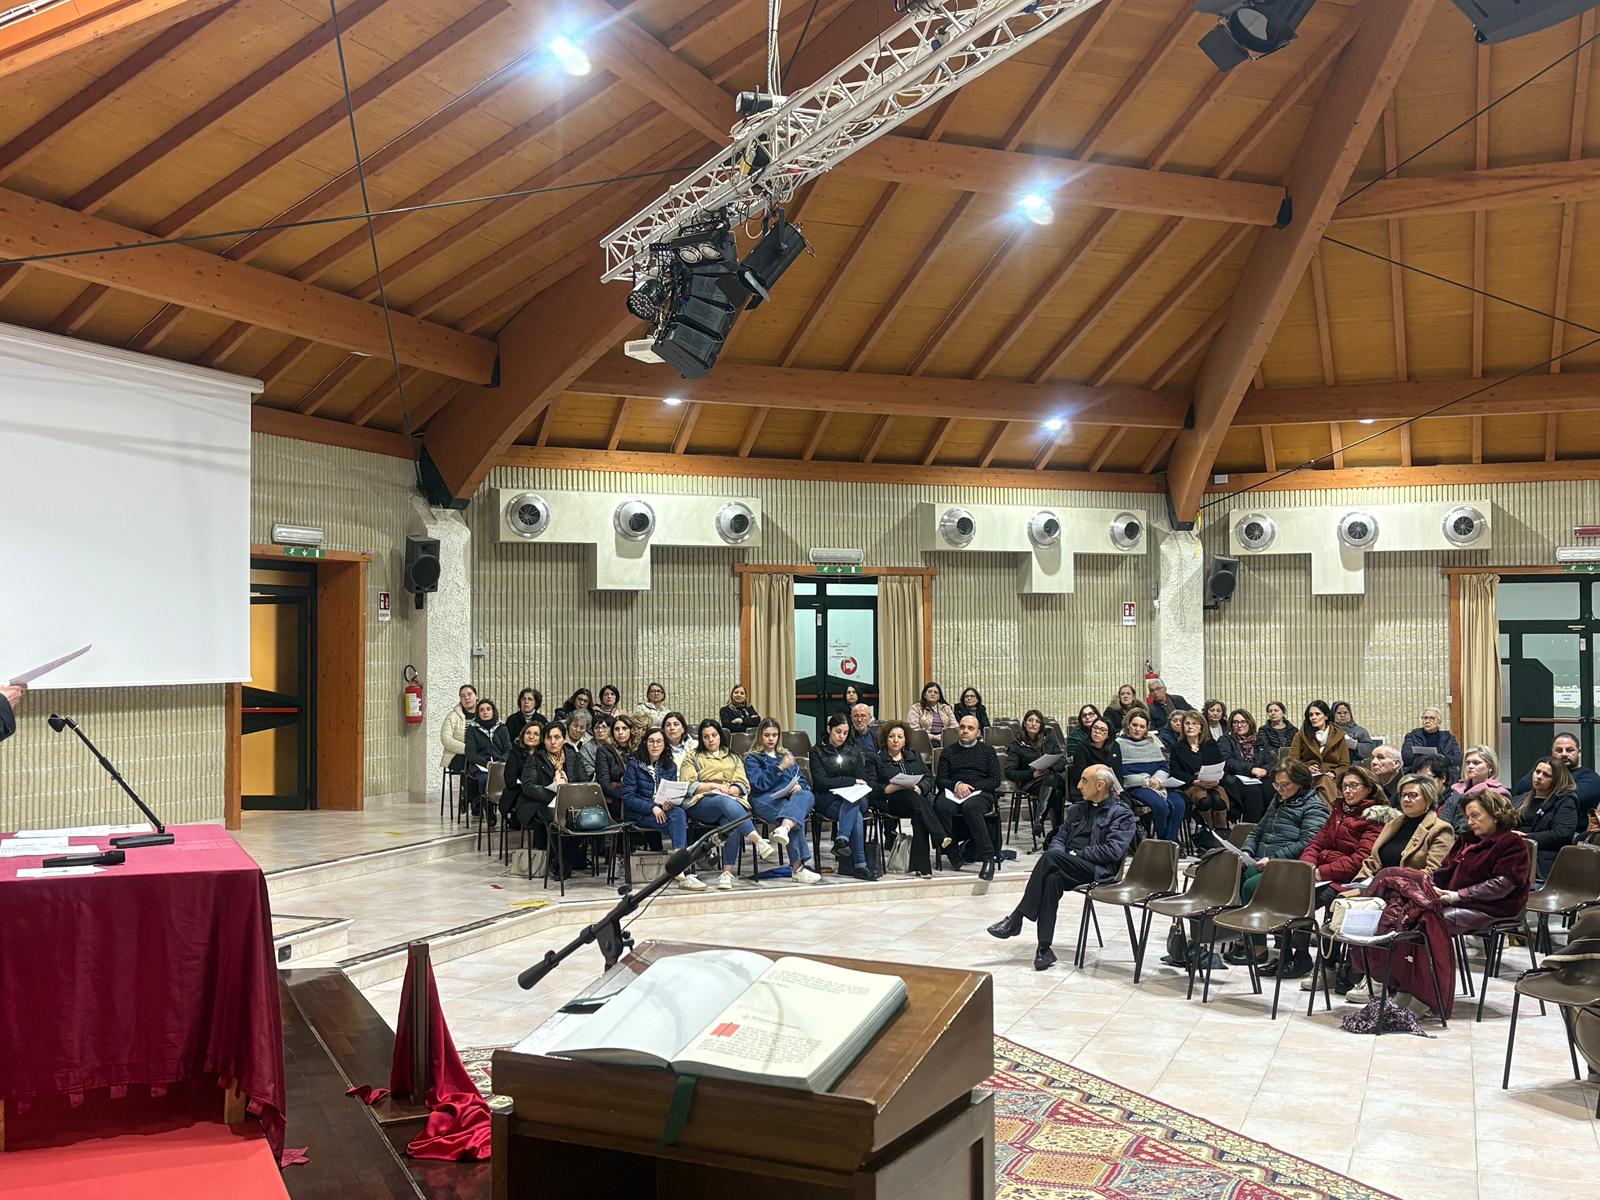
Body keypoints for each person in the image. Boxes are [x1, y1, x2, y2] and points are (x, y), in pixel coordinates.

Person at [987, 764, 1135, 971]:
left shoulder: (1121, 814)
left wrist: (1076, 855)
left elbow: (1113, 851)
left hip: (1098, 871)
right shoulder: (1077, 809)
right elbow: (1060, 838)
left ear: (1100, 785)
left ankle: (1017, 918)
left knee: (1051, 858)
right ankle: (1044, 950)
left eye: (1084, 780)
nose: (1078, 785)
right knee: (1051, 878)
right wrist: (1062, 854)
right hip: (1066, 864)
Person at [1270, 765, 1386, 980]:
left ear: (1369, 789)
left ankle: (1324, 964)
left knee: (1316, 899)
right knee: (1284, 893)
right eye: (1345, 786)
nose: (1348, 791)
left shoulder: (1376, 817)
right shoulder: (1338, 810)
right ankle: (1290, 955)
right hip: (1320, 873)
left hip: (1348, 879)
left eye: (1354, 786)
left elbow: (1360, 859)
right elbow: (1316, 842)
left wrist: (1321, 873)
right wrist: (1308, 867)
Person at [1226, 760, 1329, 968]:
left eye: (1285, 785)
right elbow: (1257, 831)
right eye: (1277, 785)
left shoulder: (1314, 806)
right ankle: (1245, 935)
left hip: (1288, 866)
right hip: (1262, 860)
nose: (1280, 789)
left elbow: (1308, 842)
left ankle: (1258, 947)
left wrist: (1274, 859)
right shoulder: (1278, 800)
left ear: (1300, 783)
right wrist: (1246, 851)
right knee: (1235, 877)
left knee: (1252, 886)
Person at [679, 720, 776, 890]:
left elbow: (743, 783)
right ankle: (757, 840)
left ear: (720, 736)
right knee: (724, 801)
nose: (711, 740)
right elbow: (689, 785)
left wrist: (732, 789)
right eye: (706, 737)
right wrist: (713, 787)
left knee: (730, 821)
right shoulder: (692, 756)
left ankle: (726, 873)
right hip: (701, 803)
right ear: (701, 739)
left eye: (714, 735)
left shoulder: (733, 756)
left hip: (731, 801)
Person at [621, 728, 705, 891]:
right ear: (645, 743)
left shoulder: (670, 766)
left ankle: (680, 868)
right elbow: (628, 797)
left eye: (659, 741)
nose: (655, 745)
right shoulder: (634, 765)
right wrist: (652, 807)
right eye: (651, 741)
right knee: (679, 823)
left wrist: (668, 803)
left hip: (662, 812)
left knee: (679, 814)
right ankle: (684, 870)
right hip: (639, 814)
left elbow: (669, 793)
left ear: (664, 744)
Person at [743, 718, 822, 885]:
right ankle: (798, 869)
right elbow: (758, 785)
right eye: (767, 735)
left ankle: (784, 828)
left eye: (774, 735)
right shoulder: (753, 758)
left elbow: (802, 780)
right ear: (760, 736)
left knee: (807, 795)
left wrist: (800, 786)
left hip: (789, 799)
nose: (771, 739)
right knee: (794, 817)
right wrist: (779, 768)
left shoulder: (785, 755)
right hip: (765, 799)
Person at [513, 722, 592, 873]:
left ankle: (562, 861)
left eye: (557, 737)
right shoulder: (535, 759)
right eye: (549, 738)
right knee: (554, 818)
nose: (553, 742)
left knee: (582, 819)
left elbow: (584, 782)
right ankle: (563, 863)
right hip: (541, 802)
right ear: (544, 740)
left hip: (570, 801)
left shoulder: (573, 756)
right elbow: (528, 786)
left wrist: (567, 790)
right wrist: (555, 791)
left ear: (564, 739)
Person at [871, 721, 945, 878]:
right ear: (885, 739)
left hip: (915, 801)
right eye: (891, 736)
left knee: (918, 810)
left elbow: (928, 778)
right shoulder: (876, 758)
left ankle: (922, 867)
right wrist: (887, 788)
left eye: (900, 737)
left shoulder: (914, 755)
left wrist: (921, 788)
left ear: (905, 740)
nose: (896, 740)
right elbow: (870, 785)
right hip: (890, 800)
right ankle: (939, 835)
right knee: (917, 802)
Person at [935, 714, 1004, 879]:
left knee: (970, 807)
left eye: (970, 728)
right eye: (962, 727)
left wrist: (971, 788)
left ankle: (988, 858)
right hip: (954, 792)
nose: (965, 731)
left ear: (978, 733)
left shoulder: (988, 751)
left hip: (980, 793)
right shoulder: (948, 752)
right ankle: (953, 853)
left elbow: (995, 780)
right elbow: (941, 780)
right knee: (940, 807)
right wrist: (957, 785)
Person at [809, 714, 875, 879]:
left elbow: (862, 779)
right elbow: (821, 782)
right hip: (829, 799)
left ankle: (842, 839)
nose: (841, 736)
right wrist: (851, 781)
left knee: (854, 802)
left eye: (845, 733)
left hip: (856, 798)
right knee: (856, 814)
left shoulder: (854, 749)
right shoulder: (817, 751)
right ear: (829, 729)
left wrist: (852, 783)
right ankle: (860, 864)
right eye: (838, 732)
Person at [1115, 711, 1185, 843]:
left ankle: (1170, 841)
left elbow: (1163, 766)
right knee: (1160, 805)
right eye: (1134, 725)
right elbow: (1120, 770)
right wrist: (1145, 781)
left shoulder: (1152, 743)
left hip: (1158, 783)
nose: (1138, 729)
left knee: (1179, 803)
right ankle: (1164, 841)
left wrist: (1157, 779)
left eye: (1142, 726)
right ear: (1128, 725)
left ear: (1146, 728)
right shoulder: (1119, 744)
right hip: (1137, 786)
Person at [1514, 756, 1579, 879]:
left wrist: (1525, 838)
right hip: (1515, 855)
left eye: (1546, 775)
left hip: (1544, 860)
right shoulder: (1522, 798)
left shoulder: (1565, 800)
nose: (1539, 777)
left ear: (1557, 780)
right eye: (1537, 772)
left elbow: (1562, 833)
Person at [1513, 732, 1600, 825]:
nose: (1564, 754)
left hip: (1572, 829)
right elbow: (1522, 788)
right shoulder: (1542, 770)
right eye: (1559, 750)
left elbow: (1575, 797)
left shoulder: (1589, 776)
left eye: (1570, 750)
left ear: (1579, 752)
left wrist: (1542, 790)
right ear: (1552, 752)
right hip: (1530, 825)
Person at [1007, 709, 1067, 837]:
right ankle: (1057, 834)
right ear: (1024, 723)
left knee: (1052, 780)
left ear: (1041, 725)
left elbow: (1062, 760)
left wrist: (1050, 769)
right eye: (1030, 720)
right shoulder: (1016, 745)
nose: (1034, 724)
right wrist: (1031, 774)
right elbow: (1010, 772)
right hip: (1031, 783)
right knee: (1056, 792)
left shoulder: (1049, 737)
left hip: (1051, 777)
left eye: (1037, 721)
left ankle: (1039, 821)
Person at [1171, 710, 1227, 835]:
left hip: (1212, 783)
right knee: (1205, 800)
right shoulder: (1177, 747)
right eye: (1187, 724)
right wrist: (1194, 781)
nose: (1190, 727)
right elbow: (1176, 771)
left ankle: (1221, 833)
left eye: (1194, 724)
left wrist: (1217, 779)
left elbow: (1221, 765)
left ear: (1201, 728)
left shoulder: (1210, 745)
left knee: (1218, 799)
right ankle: (1207, 832)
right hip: (1192, 784)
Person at [1287, 700, 1349, 802]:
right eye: (1311, 715)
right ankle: (1334, 810)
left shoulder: (1339, 736)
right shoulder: (1301, 736)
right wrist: (1306, 768)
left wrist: (1334, 773)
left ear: (1326, 716)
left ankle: (1329, 810)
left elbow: (1344, 764)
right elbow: (1292, 762)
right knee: (1323, 783)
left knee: (1325, 782)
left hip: (1333, 778)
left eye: (1317, 714)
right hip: (1308, 778)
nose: (1313, 717)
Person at [1439, 745, 1508, 836]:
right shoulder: (1457, 788)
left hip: (1472, 839)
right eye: (1468, 763)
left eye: (1476, 763)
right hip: (1443, 835)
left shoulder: (1497, 792)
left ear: (1490, 767)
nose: (1470, 766)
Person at [1219, 708, 1272, 823]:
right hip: (1235, 777)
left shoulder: (1259, 740)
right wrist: (1251, 769)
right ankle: (1249, 829)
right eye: (1235, 722)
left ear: (1250, 723)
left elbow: (1271, 761)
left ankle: (1269, 826)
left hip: (1259, 776)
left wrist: (1265, 770)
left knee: (1270, 788)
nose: (1239, 725)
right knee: (1254, 792)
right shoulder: (1225, 740)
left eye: (1243, 722)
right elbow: (1226, 761)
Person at [463, 698, 510, 824]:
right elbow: (470, 753)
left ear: (493, 711)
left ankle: (508, 811)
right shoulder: (472, 729)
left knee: (511, 780)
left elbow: (508, 749)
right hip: (480, 765)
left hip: (500, 765)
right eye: (481, 710)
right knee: (485, 780)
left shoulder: (502, 728)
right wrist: (485, 763)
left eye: (488, 709)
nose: (485, 712)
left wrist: (500, 762)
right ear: (478, 713)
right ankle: (488, 810)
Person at [1401, 707, 1463, 784]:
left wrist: (1441, 759)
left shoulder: (1449, 738)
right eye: (1425, 718)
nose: (1427, 721)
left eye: (1432, 718)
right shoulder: (1412, 736)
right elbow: (1407, 757)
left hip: (1442, 773)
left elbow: (1458, 758)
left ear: (1439, 722)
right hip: (1418, 772)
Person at [1068, 717, 1122, 802]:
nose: (1097, 731)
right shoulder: (1082, 748)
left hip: (1110, 789)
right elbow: (1080, 775)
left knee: (1125, 804)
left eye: (1102, 730)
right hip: (1088, 789)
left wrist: (1117, 790)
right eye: (1095, 728)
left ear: (1108, 735)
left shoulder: (1114, 747)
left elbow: (1118, 772)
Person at [592, 714, 635, 820]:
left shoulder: (637, 750)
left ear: (631, 730)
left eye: (624, 728)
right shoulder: (604, 750)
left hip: (636, 798)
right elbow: (604, 783)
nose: (620, 732)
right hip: (616, 799)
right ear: (612, 732)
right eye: (616, 729)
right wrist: (625, 795)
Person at [439, 683, 478, 788]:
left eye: (469, 694)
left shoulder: (485, 713)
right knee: (470, 763)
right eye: (462, 696)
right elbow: (446, 739)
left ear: (476, 696)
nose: (466, 698)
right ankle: (469, 795)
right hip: (458, 755)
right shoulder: (453, 716)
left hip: (481, 753)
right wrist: (468, 749)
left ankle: (487, 795)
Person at [566, 710, 598, 778]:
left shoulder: (590, 742)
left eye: (582, 727)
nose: (578, 730)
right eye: (575, 726)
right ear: (569, 725)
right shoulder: (561, 739)